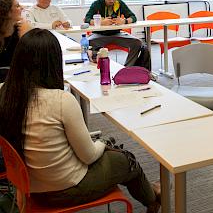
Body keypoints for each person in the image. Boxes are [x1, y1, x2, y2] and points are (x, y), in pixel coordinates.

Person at [0, 29, 161, 212]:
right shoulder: (60, 100)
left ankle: (152, 193)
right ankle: (153, 199)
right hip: (64, 189)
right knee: (125, 159)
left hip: (28, 185)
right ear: (53, 62)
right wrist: (101, 143)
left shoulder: (6, 94)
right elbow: (89, 156)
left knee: (108, 153)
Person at [84, 0, 147, 67]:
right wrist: (100, 23)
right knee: (86, 44)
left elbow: (133, 17)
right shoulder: (97, 4)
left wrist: (124, 21)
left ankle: (127, 68)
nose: (112, 0)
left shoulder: (119, 3)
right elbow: (87, 19)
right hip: (99, 35)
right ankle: (96, 68)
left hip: (117, 34)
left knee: (137, 43)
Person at [0, 0, 30, 81]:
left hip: (16, 81)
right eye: (17, 6)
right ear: (7, 12)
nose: (22, 8)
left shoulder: (21, 30)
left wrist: (25, 38)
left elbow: (30, 61)